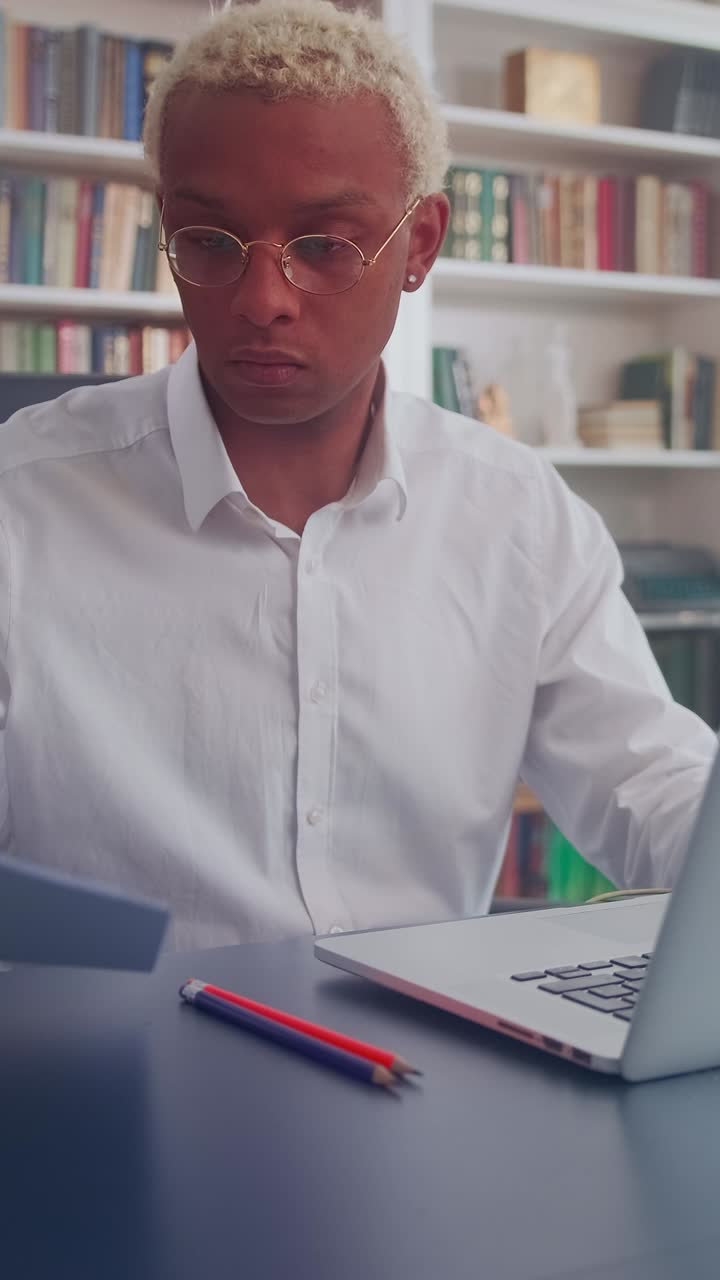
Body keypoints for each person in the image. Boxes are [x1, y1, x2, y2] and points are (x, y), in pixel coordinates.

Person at [0, 0, 715, 951]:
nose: (263, 300)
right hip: (117, 1071)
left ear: (419, 246)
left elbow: (650, 783)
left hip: (434, 1071)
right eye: (211, 242)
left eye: (326, 246)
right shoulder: (23, 503)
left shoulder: (515, 514)